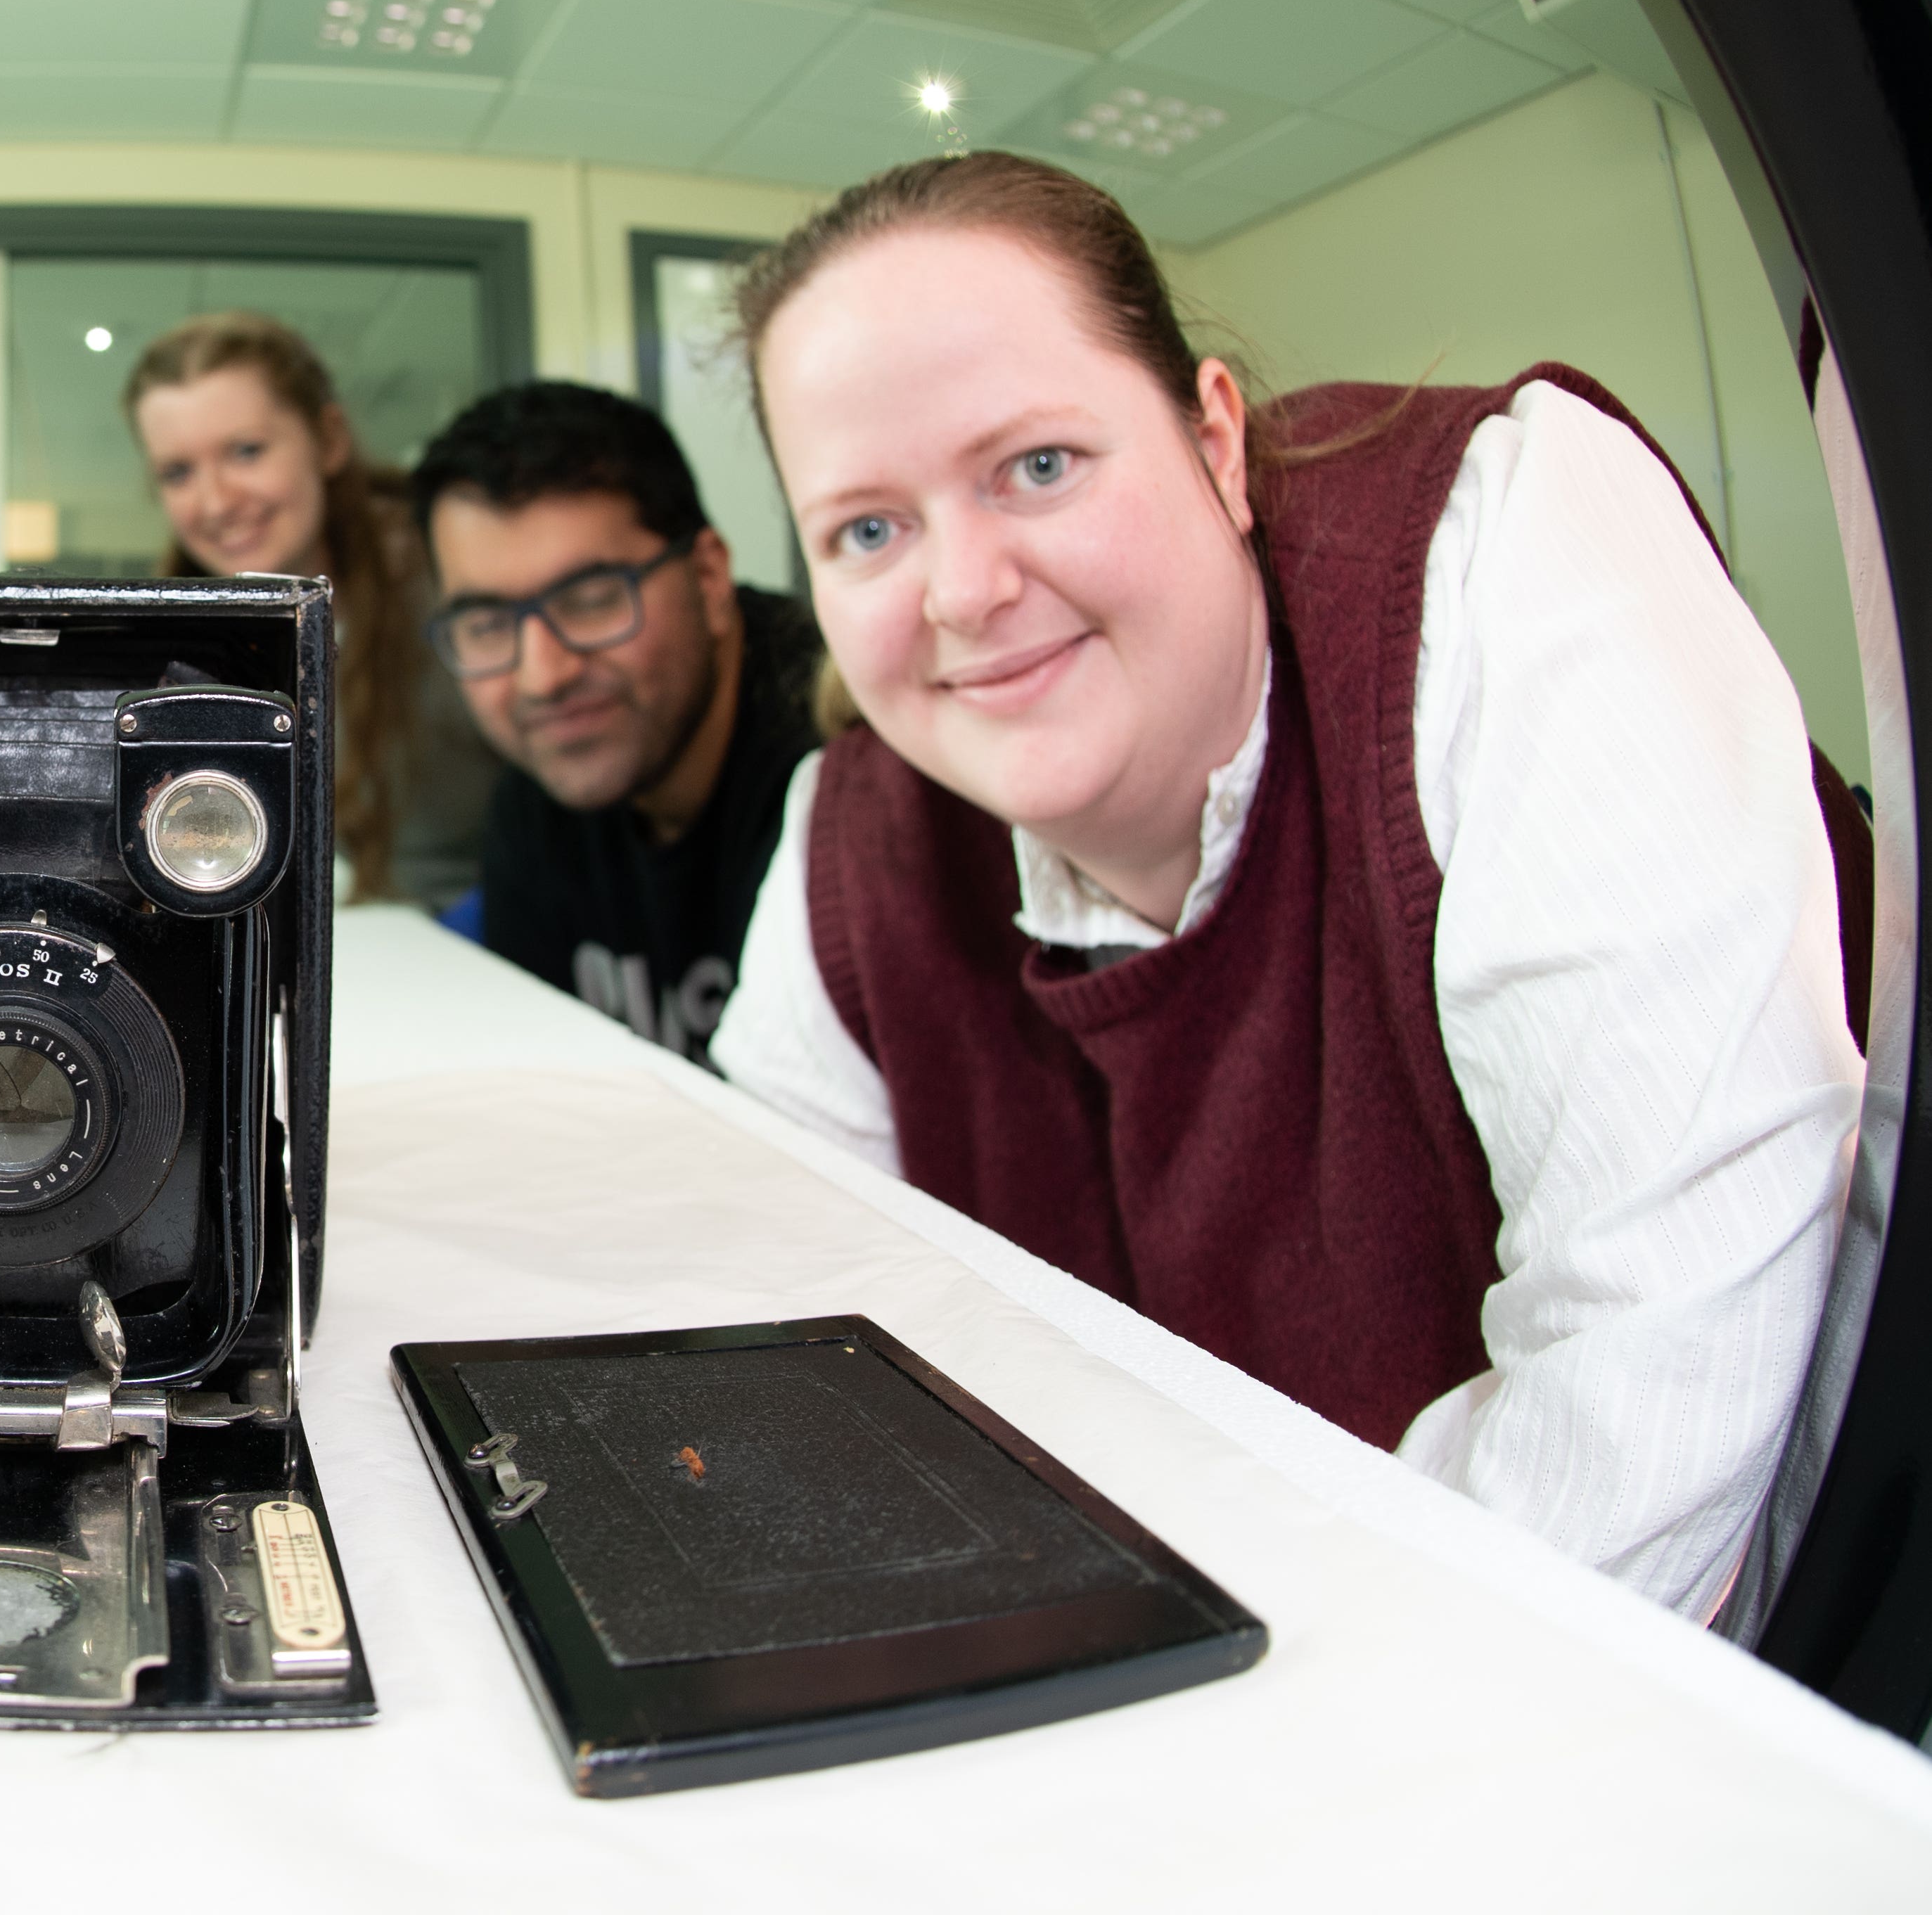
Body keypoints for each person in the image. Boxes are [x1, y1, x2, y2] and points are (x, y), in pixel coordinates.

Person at [709, 150, 1863, 1616]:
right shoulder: (849, 837)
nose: (962, 590)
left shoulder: (1497, 547)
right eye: (868, 528)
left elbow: (1661, 1372)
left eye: (1039, 465)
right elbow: (781, 1350)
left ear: (1216, 441)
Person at [409, 381, 821, 1061]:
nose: (545, 676)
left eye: (593, 600)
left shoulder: (850, 772)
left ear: (710, 578)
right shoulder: (533, 803)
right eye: (486, 625)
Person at [121, 313, 496, 909]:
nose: (215, 502)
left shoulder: (453, 585)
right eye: (178, 472)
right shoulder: (176, 644)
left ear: (329, 440)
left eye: (246, 451)